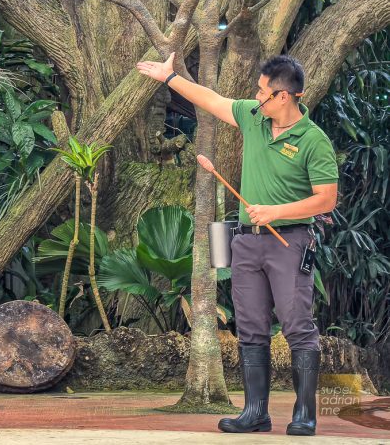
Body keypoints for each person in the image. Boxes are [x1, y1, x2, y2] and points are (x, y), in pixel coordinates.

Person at [136, 54, 338, 436]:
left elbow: (325, 199)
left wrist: (276, 212)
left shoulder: (314, 140)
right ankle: (255, 412)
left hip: (290, 242)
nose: (255, 97)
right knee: (250, 327)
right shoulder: (253, 117)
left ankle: (305, 414)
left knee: (297, 325)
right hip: (247, 242)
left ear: (283, 96)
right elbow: (211, 100)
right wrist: (170, 78)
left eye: (262, 92)